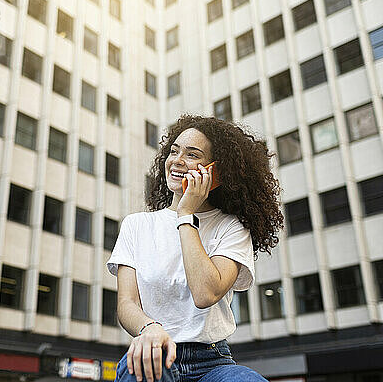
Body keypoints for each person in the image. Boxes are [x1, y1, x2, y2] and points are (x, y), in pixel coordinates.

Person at [106, 114, 284, 382]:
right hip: (155, 354)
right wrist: (149, 328)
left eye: (192, 155)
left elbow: (205, 293)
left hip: (214, 364)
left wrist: (185, 214)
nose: (177, 161)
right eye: (174, 151)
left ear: (216, 172)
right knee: (137, 372)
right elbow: (126, 303)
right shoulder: (137, 225)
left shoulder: (232, 228)